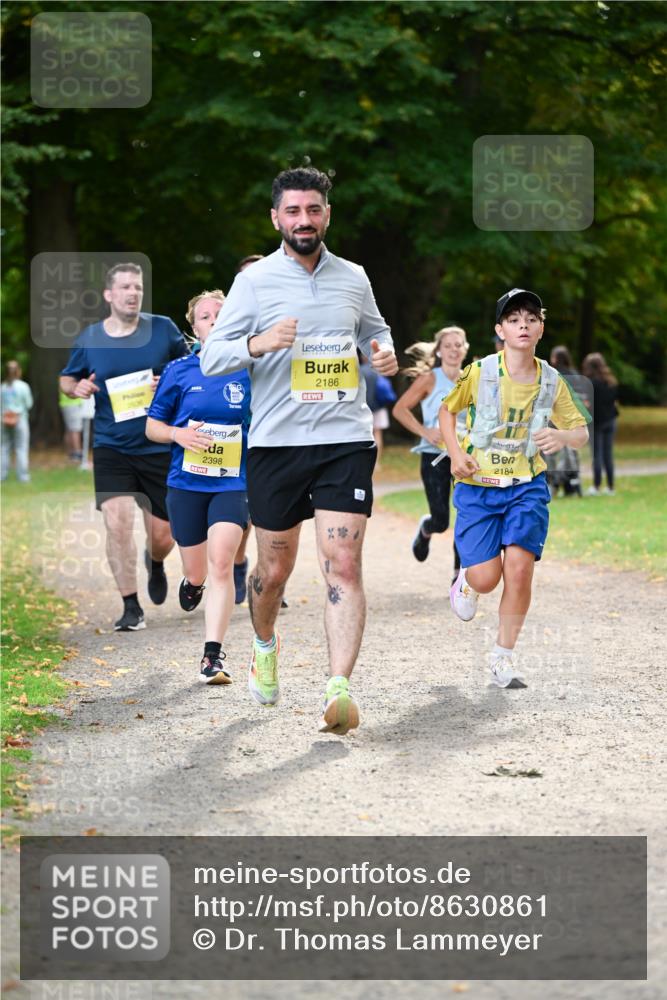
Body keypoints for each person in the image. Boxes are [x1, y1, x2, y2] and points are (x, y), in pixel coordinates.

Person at [200, 166, 397, 735]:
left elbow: (374, 332)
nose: (303, 220)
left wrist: (381, 354)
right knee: (275, 568)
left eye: (313, 210)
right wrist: (260, 343)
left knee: (343, 565)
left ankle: (339, 688)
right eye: (292, 211)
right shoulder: (255, 282)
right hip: (277, 445)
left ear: (327, 214)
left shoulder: (354, 276)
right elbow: (214, 358)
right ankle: (263, 643)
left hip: (344, 439)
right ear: (276, 217)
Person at [440, 288, 590, 689]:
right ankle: (468, 582)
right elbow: (446, 411)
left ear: (541, 328)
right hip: (478, 486)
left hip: (527, 487)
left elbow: (581, 431)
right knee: (489, 577)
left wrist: (562, 437)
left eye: (531, 318)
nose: (523, 324)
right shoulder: (480, 371)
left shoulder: (553, 381)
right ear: (499, 330)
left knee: (520, 571)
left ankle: (502, 657)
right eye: (513, 319)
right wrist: (455, 454)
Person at [60, 263, 188, 631]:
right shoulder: (90, 338)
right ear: (109, 295)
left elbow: (188, 367)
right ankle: (131, 606)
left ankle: (156, 561)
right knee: (117, 523)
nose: (133, 293)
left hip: (157, 443)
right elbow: (68, 379)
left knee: (164, 536)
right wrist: (76, 388)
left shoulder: (162, 329)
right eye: (126, 287)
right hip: (111, 445)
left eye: (138, 287)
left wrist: (168, 380)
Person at [146, 289, 251, 683]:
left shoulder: (250, 368)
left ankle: (212, 656)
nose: (214, 320)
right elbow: (151, 427)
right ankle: (192, 583)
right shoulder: (179, 371)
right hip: (186, 484)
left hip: (231, 483)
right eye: (205, 316)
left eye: (220, 313)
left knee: (222, 562)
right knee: (199, 570)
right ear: (195, 329)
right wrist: (178, 435)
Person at [393, 326, 469, 580]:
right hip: (433, 455)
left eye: (458, 345)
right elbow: (400, 409)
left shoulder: (472, 378)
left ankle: (459, 574)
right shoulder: (430, 379)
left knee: (467, 514)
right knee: (442, 520)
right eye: (447, 346)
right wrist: (425, 431)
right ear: (439, 351)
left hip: (464, 456)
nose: (453, 350)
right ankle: (427, 528)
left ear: (465, 349)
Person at [546, 346, 590, 498]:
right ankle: (572, 482)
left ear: (555, 359)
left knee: (550, 451)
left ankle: (553, 482)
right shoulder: (576, 375)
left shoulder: (553, 375)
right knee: (570, 452)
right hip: (573, 419)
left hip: (555, 418)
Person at [581, 352, 619, 496]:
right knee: (608, 455)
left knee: (596, 455)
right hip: (611, 420)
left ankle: (596, 486)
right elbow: (614, 401)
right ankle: (610, 486)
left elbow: (587, 404)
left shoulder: (590, 383)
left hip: (596, 423)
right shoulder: (611, 381)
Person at [359, 353, 395, 470]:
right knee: (377, 434)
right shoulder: (379, 372)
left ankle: (364, 461)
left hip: (362, 408)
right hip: (379, 407)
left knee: (362, 436)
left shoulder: (359, 370)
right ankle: (376, 462)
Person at [1, 360, 33, 483]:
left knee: (3, 448)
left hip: (4, 420)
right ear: (18, 371)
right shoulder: (23, 386)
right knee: (21, 447)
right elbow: (29, 404)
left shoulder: (2, 387)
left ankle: (2, 476)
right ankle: (23, 477)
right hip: (20, 419)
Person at [59, 387, 84, 461]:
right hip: (72, 403)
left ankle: (71, 453)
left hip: (67, 403)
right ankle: (78, 453)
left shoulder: (63, 376)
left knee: (69, 429)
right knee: (75, 429)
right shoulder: (69, 376)